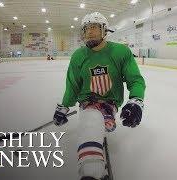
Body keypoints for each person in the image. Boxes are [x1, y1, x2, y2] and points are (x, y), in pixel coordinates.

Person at [53, 12, 146, 180]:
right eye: (86, 29)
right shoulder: (78, 56)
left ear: (105, 31)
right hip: (87, 103)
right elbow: (73, 85)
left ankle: (104, 120)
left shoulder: (121, 52)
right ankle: (92, 171)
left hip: (110, 103)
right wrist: (64, 107)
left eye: (94, 28)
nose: (89, 32)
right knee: (91, 119)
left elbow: (135, 80)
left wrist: (136, 100)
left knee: (96, 122)